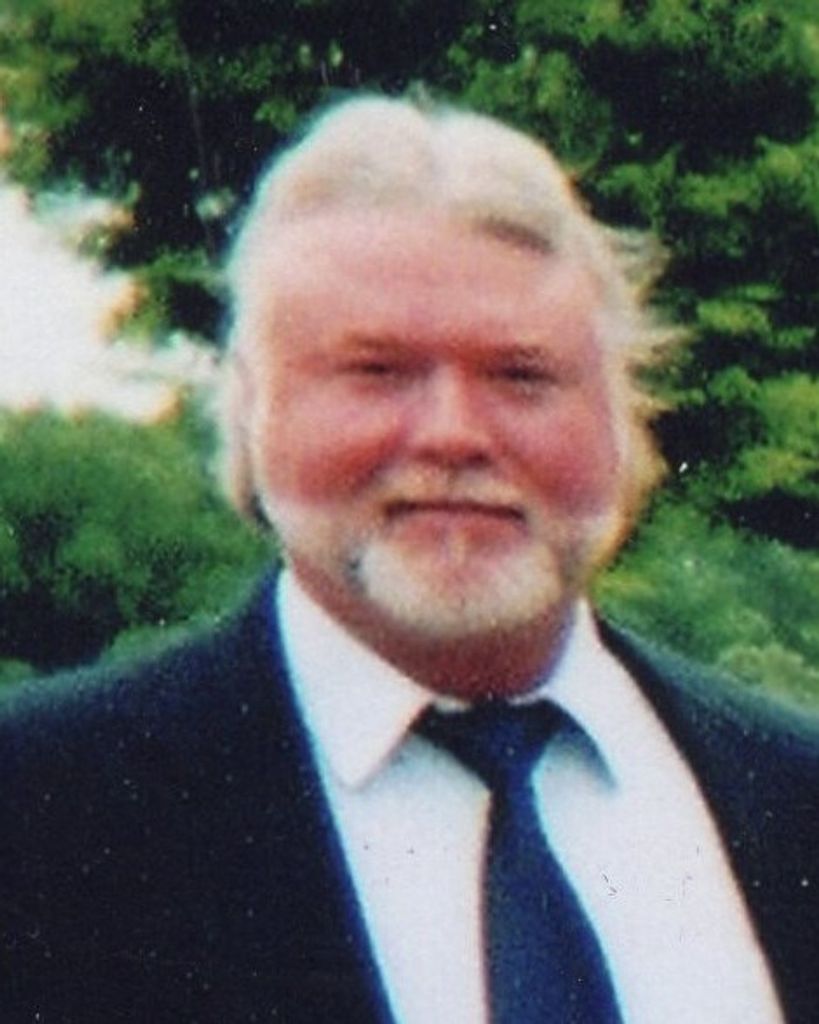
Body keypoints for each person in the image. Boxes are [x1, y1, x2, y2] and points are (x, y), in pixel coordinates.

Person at [1, 95, 818, 1024]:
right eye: (376, 371)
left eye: (520, 375)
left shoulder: (793, 799)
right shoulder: (43, 819)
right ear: (251, 410)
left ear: (620, 421)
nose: (452, 434)